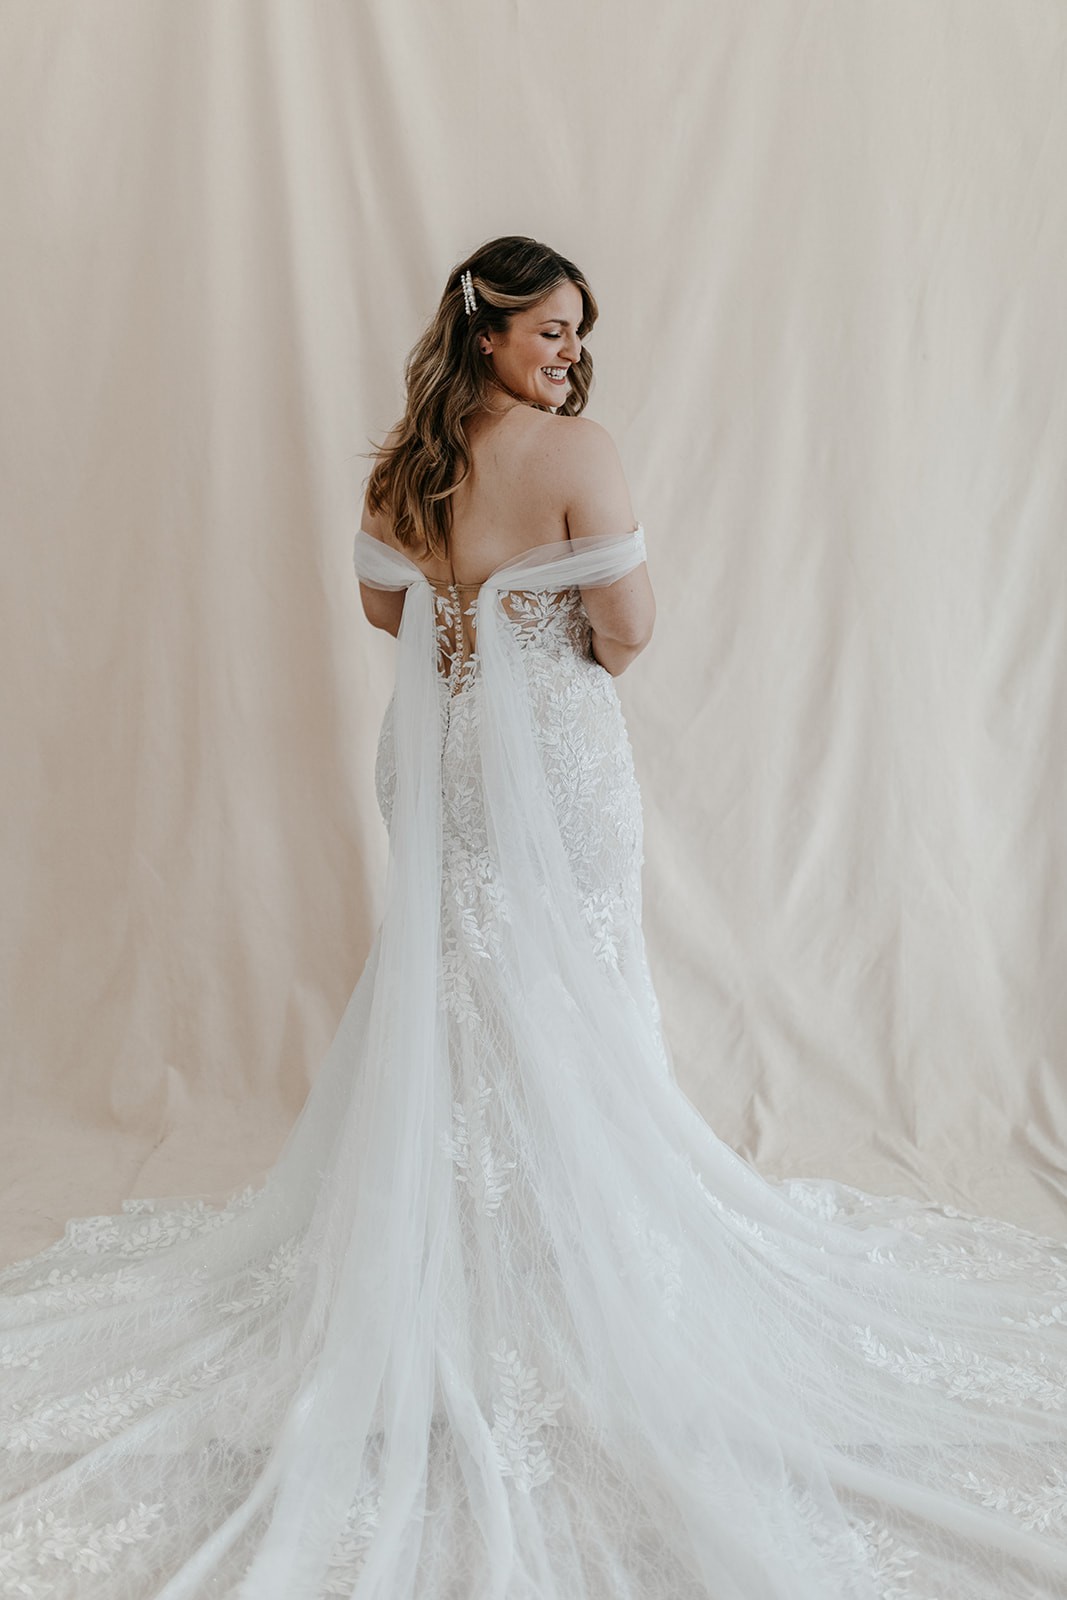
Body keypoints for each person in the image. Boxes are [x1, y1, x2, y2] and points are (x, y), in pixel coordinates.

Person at [0, 235, 1065, 1600]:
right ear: (488, 329)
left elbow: (382, 607)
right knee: (571, 987)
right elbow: (630, 632)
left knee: (455, 979)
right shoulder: (579, 453)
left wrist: (469, 620)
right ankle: (561, 1266)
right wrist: (546, 632)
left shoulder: (405, 464)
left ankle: (451, 1256)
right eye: (551, 329)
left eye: (577, 333)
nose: (571, 353)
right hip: (552, 762)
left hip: (439, 762)